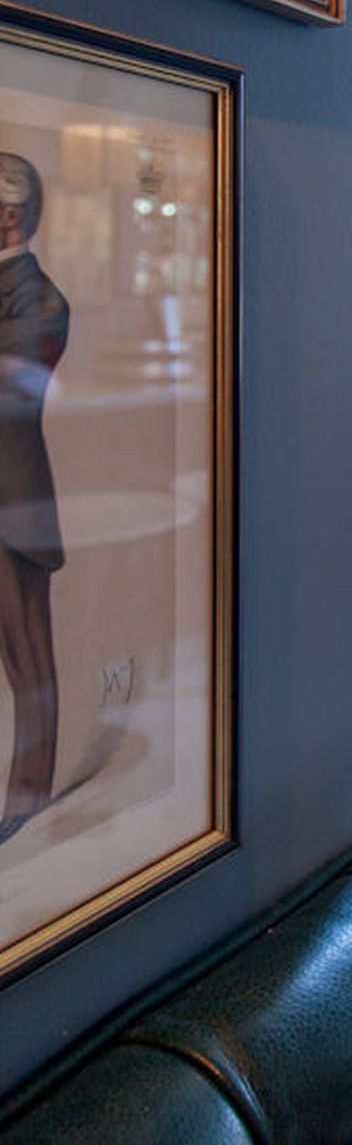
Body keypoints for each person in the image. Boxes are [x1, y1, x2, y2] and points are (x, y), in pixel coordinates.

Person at [0, 151, 68, 844]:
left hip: (11, 505)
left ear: (11, 215)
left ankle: (28, 799)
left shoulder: (42, 300)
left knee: (27, 660)